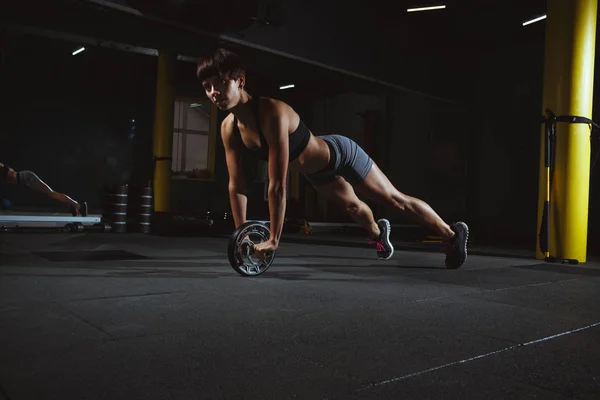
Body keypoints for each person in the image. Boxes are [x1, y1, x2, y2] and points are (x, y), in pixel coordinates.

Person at [196, 48, 469, 268]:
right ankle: (378, 234)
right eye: (207, 87)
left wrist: (274, 240)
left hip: (341, 154)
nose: (214, 93)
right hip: (316, 172)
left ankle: (452, 234)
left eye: (219, 83)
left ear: (240, 80)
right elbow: (237, 186)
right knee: (354, 209)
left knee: (394, 200)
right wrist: (241, 235)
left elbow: (277, 185)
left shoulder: (271, 113)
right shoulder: (228, 128)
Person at [0, 162, 87, 216]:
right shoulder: (4, 170)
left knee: (51, 193)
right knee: (51, 195)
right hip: (26, 181)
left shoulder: (4, 170)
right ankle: (72, 206)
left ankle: (78, 205)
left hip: (28, 178)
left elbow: (10, 173)